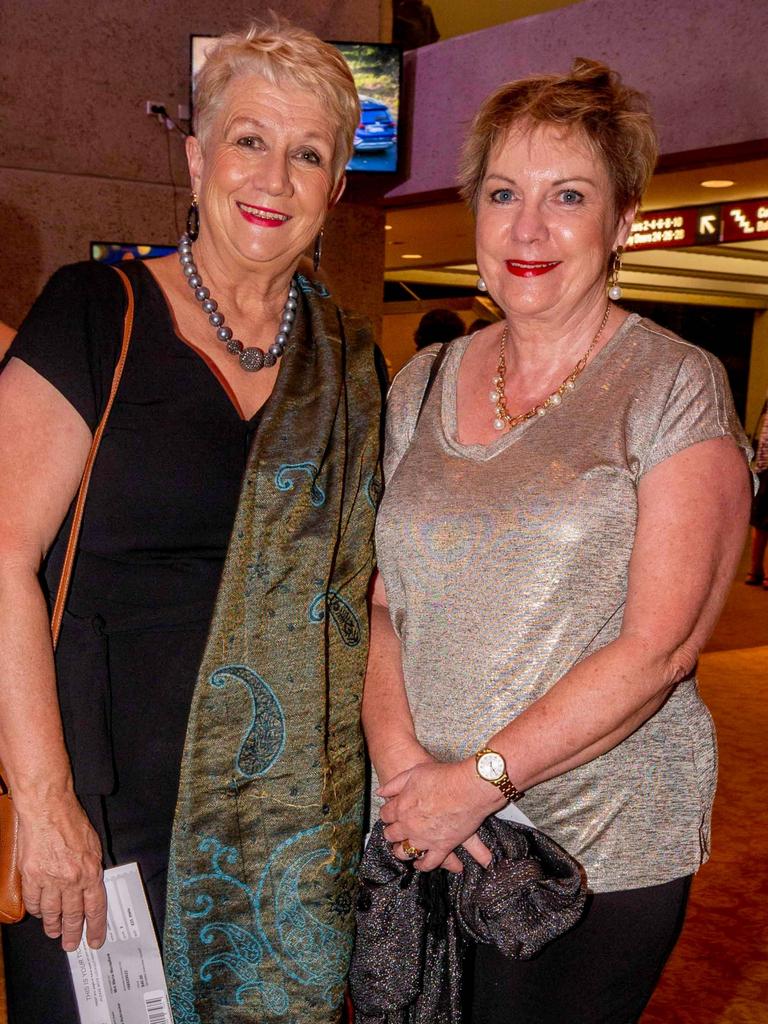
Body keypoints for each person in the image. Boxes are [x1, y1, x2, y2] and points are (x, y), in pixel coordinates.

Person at [0, 20, 382, 1024]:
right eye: (249, 138)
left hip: (283, 836)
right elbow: (0, 554)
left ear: (337, 184)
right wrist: (42, 805)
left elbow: (365, 600)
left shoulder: (347, 366)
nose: (274, 177)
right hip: (100, 817)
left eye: (309, 154)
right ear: (196, 156)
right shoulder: (96, 312)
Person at [361, 59, 752, 1023]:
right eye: (503, 194)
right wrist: (406, 769)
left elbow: (659, 647)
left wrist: (478, 782)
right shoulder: (419, 384)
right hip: (425, 823)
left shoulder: (673, 384)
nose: (527, 229)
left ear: (620, 222)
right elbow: (380, 602)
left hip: (596, 844)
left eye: (566, 195)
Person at [746, 395, 768, 587]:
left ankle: (757, 571)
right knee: (760, 520)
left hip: (764, 465)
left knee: (760, 521)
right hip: (764, 465)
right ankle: (759, 572)